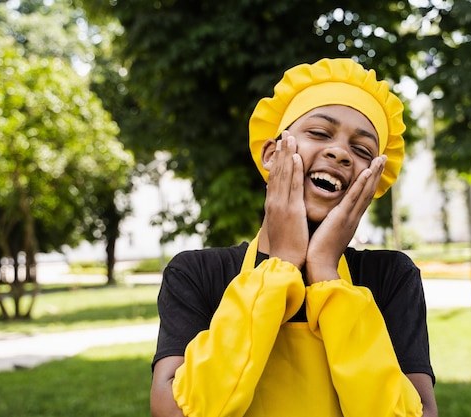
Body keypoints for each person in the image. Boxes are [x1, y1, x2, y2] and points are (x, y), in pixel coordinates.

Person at [150, 57, 438, 417]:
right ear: (272, 154)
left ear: (373, 180)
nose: (340, 153)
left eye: (362, 150)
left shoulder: (391, 277)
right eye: (319, 133)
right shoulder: (196, 273)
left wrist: (325, 273)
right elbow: (175, 410)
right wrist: (280, 264)